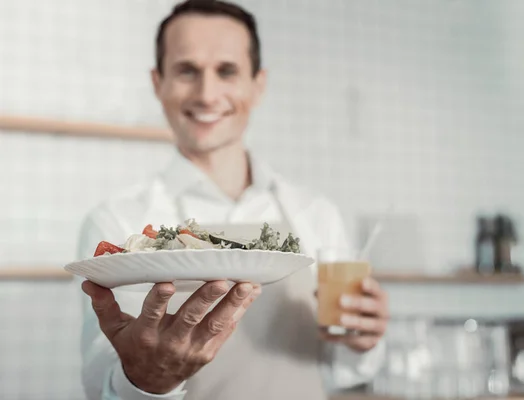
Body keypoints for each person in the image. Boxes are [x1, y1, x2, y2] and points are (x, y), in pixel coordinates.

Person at [77, 1, 390, 399]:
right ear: (158, 83)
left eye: (227, 71)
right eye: (187, 70)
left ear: (257, 85)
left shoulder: (317, 214)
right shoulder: (115, 220)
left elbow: (337, 374)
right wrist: (147, 381)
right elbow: (97, 383)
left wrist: (362, 342)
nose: (207, 94)